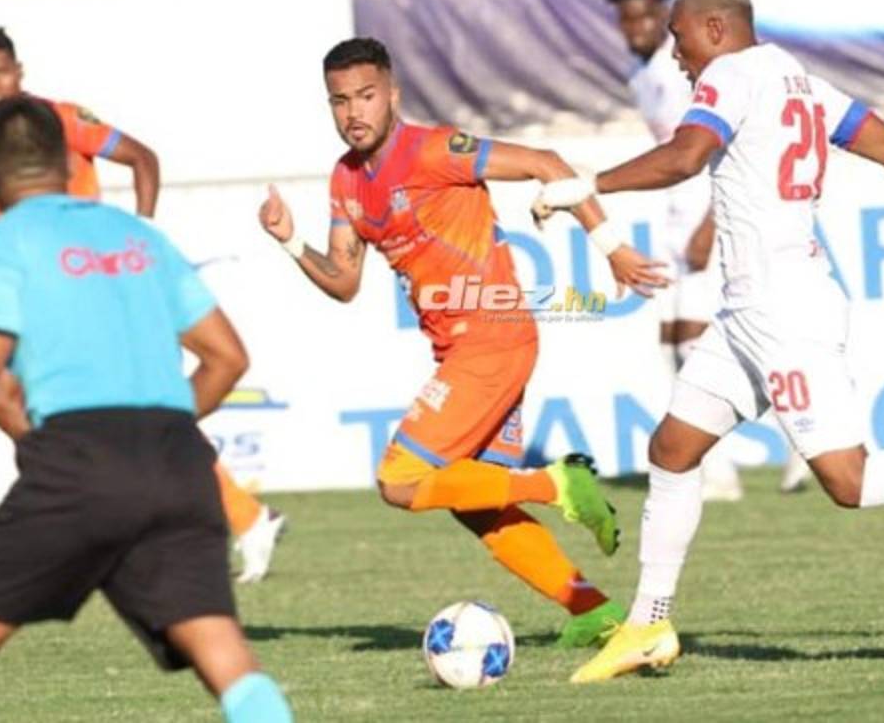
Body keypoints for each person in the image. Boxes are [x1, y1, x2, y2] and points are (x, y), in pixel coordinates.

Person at [530, 0, 884, 683]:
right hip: (749, 312)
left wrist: (588, 185)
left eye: (679, 36)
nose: (675, 53)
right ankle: (648, 624)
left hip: (785, 313)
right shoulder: (796, 78)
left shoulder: (730, 75)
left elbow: (684, 157)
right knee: (672, 450)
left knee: (849, 482)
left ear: (713, 29)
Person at [258, 37, 668, 646]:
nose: (353, 112)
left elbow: (547, 162)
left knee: (399, 480)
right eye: (340, 101)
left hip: (490, 341)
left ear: (393, 94)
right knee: (475, 501)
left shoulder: (433, 150)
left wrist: (613, 248)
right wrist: (291, 242)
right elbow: (344, 282)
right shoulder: (346, 180)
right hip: (466, 349)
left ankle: (558, 483)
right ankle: (593, 611)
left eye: (366, 96)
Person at [0, 97, 292, 722]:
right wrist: (160, 428)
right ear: (68, 164)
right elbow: (227, 359)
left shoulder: (1, 243)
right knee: (222, 652)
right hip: (179, 464)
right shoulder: (138, 236)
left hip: (79, 461)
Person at [0, 25, 284, 583]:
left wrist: (143, 237)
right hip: (45, 290)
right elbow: (10, 207)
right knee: (53, 399)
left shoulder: (62, 119)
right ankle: (240, 516)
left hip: (91, 284)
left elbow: (143, 159)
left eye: (1, 72)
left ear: (19, 71)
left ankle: (76, 507)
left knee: (44, 397)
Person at [603, 0, 812, 499]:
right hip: (675, 217)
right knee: (675, 342)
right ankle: (769, 452)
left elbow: (717, 147)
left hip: (709, 213)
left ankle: (751, 463)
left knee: (704, 343)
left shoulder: (686, 69)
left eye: (646, 17)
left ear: (665, 15)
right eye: (627, 19)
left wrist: (709, 223)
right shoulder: (641, 74)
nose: (637, 28)